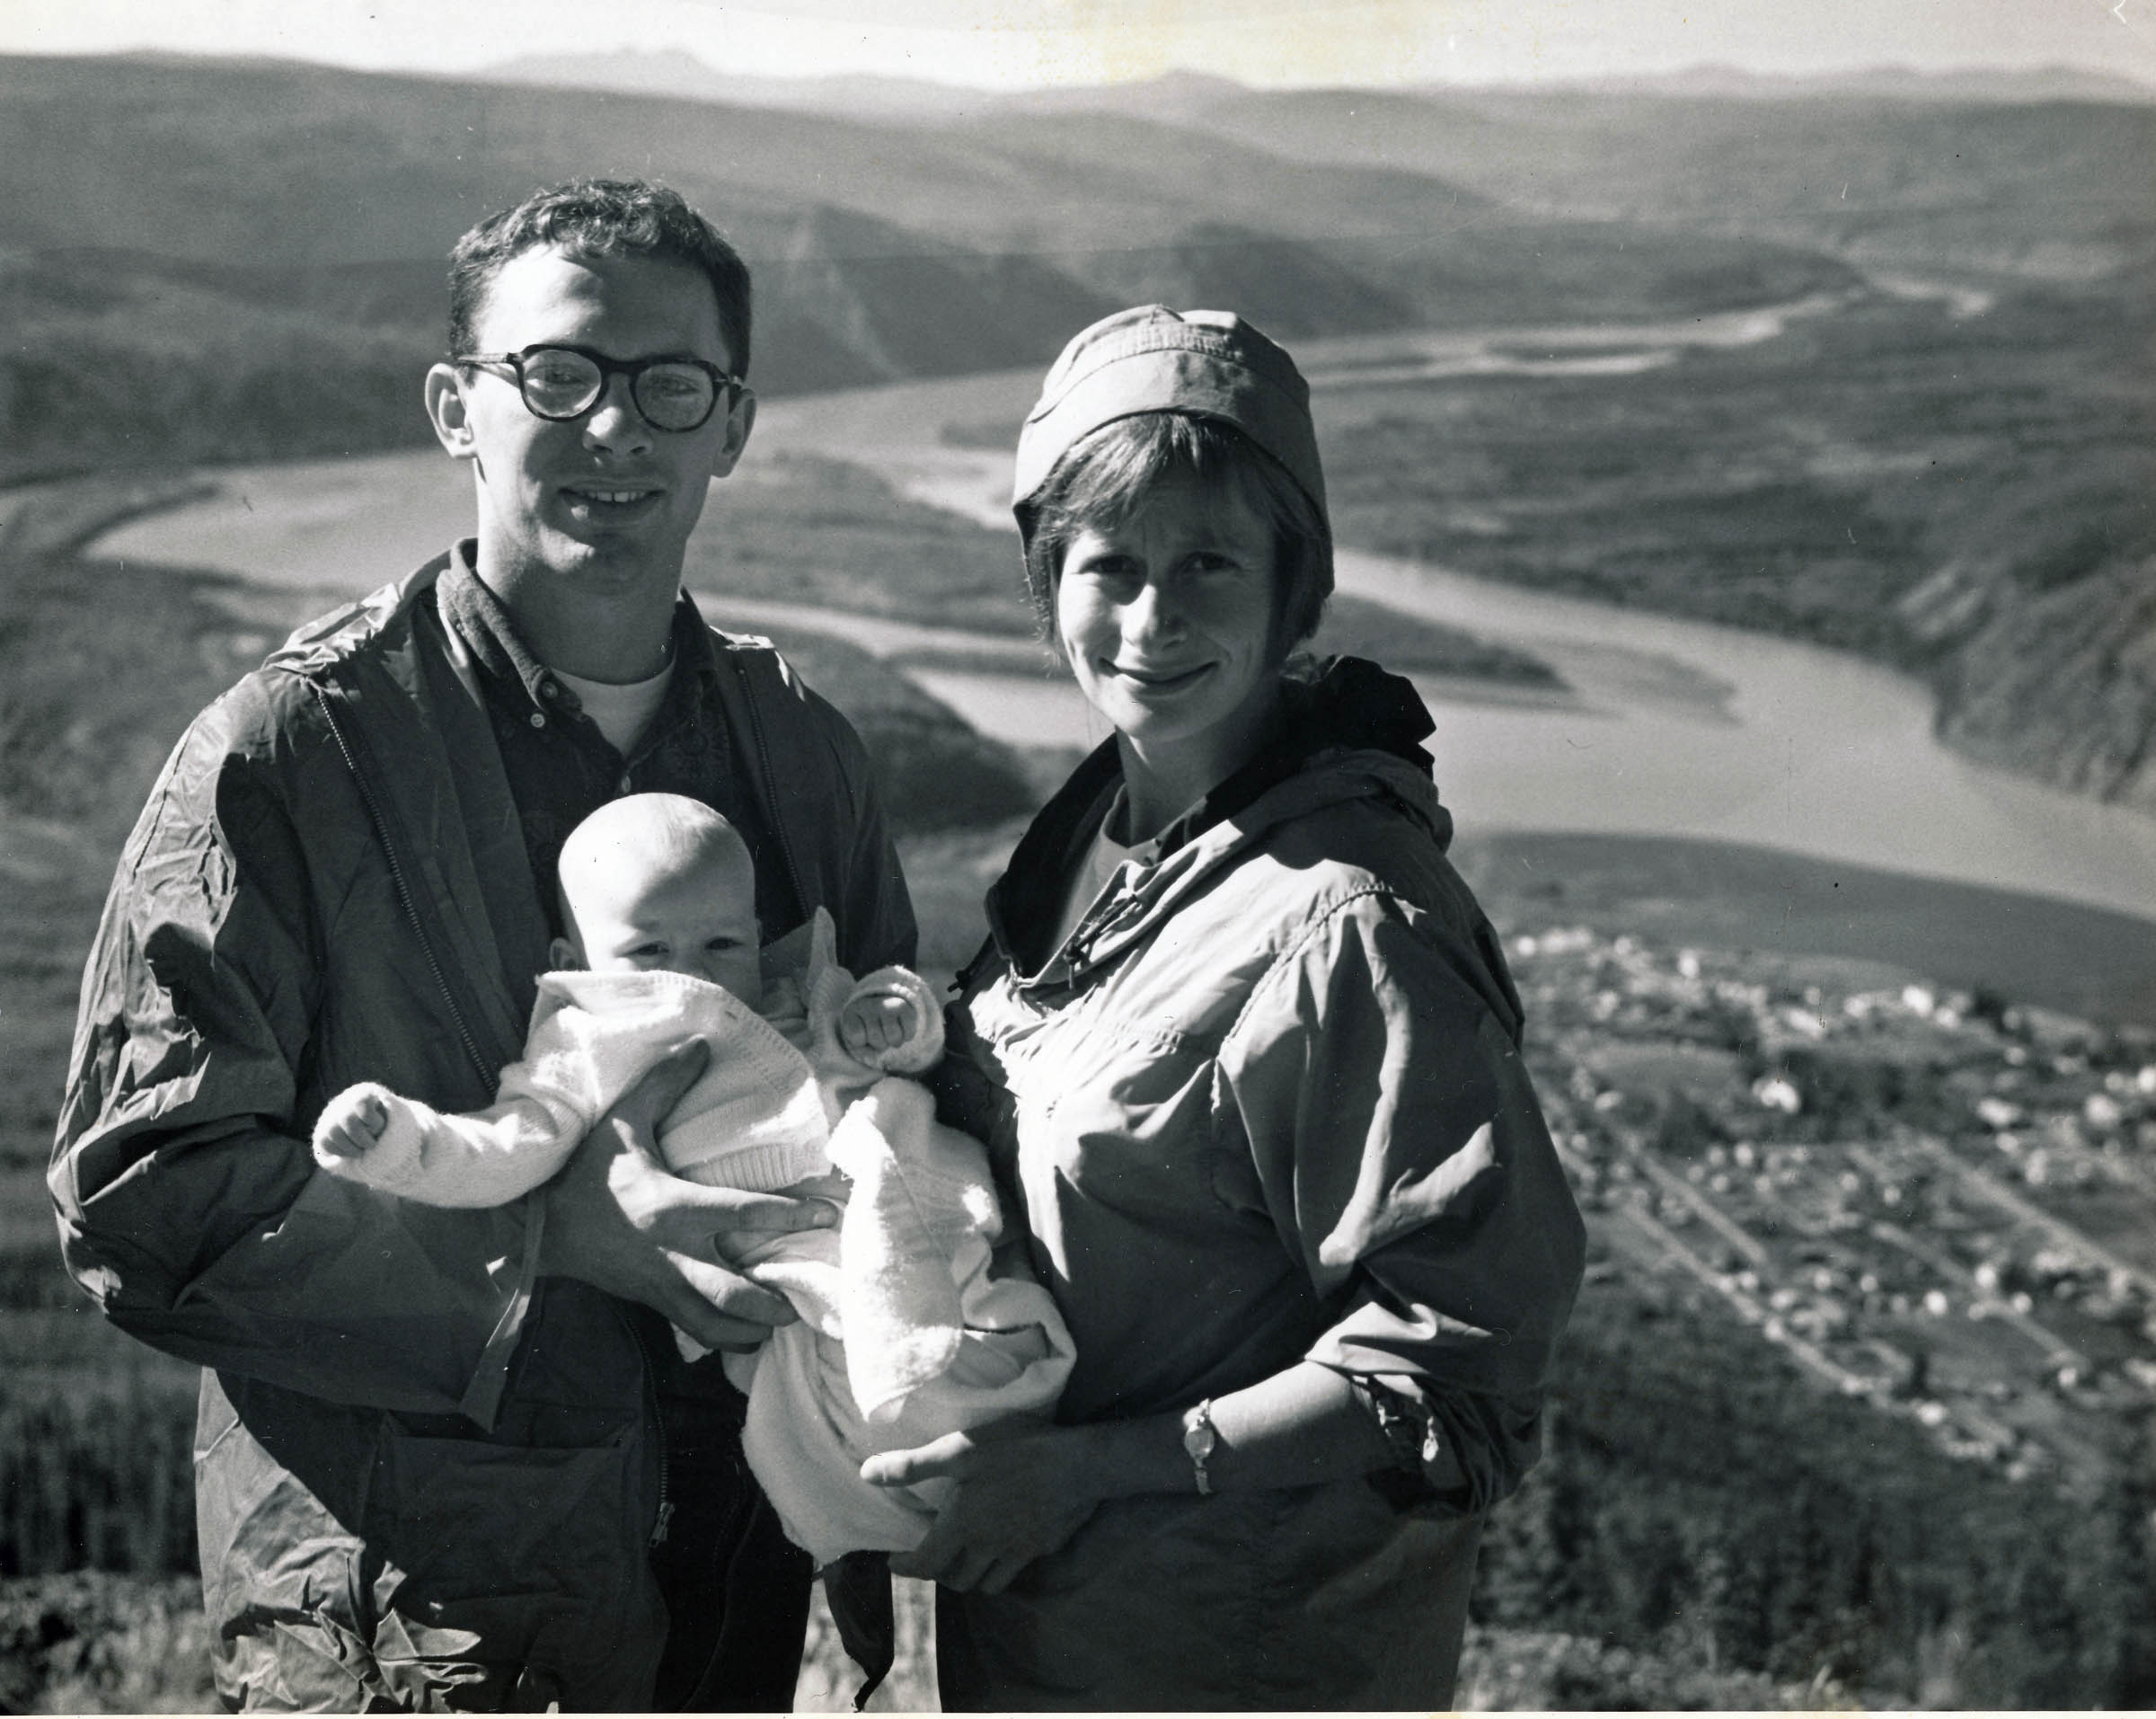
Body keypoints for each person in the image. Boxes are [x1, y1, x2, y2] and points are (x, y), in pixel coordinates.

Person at [49, 179, 914, 1711]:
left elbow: (881, 1115)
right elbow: (143, 1196)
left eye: (671, 384)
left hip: (730, 1593)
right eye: (558, 374)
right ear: (459, 407)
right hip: (410, 1636)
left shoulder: (799, 753)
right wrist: (546, 1238)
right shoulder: (290, 755)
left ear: (735, 424)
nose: (615, 428)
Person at [862, 305, 1588, 1708]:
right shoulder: (1097, 837)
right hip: (1052, 1635)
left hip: (1236, 1656)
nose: (1151, 617)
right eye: (1109, 563)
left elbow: (1462, 1371)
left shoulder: (1349, 920)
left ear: (1293, 590)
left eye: (1209, 562)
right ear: (1045, 579)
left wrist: (1084, 1469)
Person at [312, 793, 1073, 1567]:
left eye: (721, 943)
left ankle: (1000, 1451)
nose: (693, 976)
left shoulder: (780, 996)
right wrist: (402, 1140)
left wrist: (892, 1014)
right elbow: (510, 1144)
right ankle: (918, 1508)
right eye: (649, 951)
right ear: (574, 962)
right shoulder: (584, 1039)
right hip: (796, 1284)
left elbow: (878, 1044)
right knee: (847, 1424)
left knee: (996, 1336)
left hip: (904, 1205)